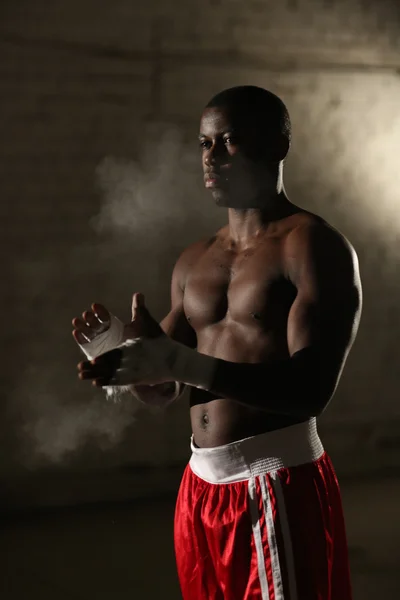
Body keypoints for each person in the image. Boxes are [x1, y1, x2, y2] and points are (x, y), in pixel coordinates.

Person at [73, 86, 362, 599]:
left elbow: (310, 391)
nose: (212, 156)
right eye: (204, 143)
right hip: (199, 490)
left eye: (228, 141)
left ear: (277, 146)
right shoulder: (194, 260)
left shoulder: (313, 246)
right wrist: (120, 355)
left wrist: (184, 363)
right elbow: (163, 388)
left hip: (275, 484)